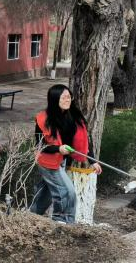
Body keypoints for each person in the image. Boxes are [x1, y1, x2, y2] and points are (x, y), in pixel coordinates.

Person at [31, 84, 102, 224]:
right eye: (63, 97)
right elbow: (40, 146)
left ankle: (32, 215)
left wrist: (93, 161)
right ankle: (62, 221)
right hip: (48, 162)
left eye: (69, 97)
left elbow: (84, 142)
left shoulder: (74, 117)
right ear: (54, 99)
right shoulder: (43, 119)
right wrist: (58, 149)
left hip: (61, 161)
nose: (67, 100)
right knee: (67, 192)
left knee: (46, 194)